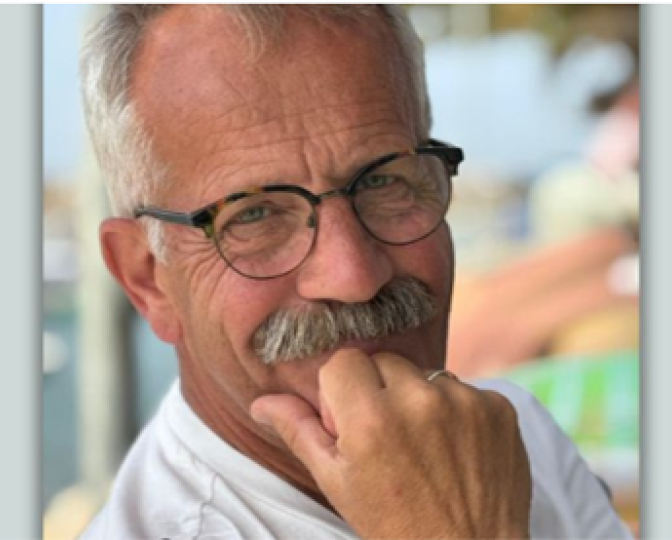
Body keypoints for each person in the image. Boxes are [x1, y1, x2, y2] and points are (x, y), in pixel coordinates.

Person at [78, 5, 633, 539]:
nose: (354, 277)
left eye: (384, 182)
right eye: (255, 215)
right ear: (148, 280)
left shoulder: (513, 431)